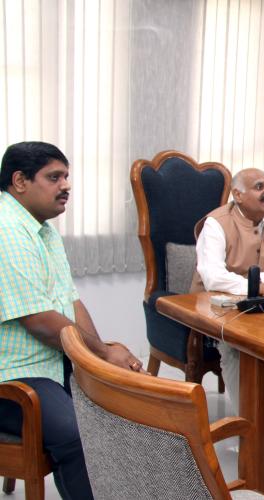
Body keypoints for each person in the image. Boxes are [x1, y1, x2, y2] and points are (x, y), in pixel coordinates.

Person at [0, 141, 144, 500]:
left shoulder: (42, 228)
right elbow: (40, 321)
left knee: (124, 401)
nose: (66, 185)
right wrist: (99, 354)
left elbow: (70, 301)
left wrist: (102, 356)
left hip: (46, 364)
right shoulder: (7, 231)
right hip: (12, 376)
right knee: (79, 434)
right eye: (54, 177)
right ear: (20, 181)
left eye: (66, 176)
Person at [193, 168, 264, 412]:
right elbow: (214, 278)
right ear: (238, 194)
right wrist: (255, 285)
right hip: (221, 307)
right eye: (259, 187)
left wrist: (262, 282)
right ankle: (247, 427)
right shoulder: (216, 223)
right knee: (235, 348)